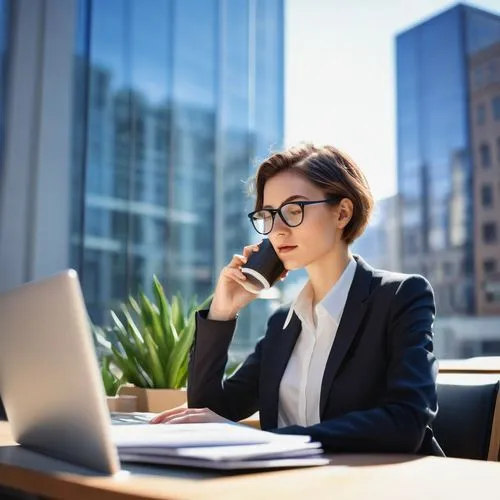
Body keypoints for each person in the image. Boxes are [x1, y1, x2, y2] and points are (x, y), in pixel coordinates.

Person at [151, 143, 442, 455]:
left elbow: (405, 422)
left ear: (342, 212)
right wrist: (223, 311)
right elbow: (211, 410)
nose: (275, 231)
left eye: (293, 211)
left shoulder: (400, 296)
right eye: (268, 215)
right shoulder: (284, 323)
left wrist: (272, 442)